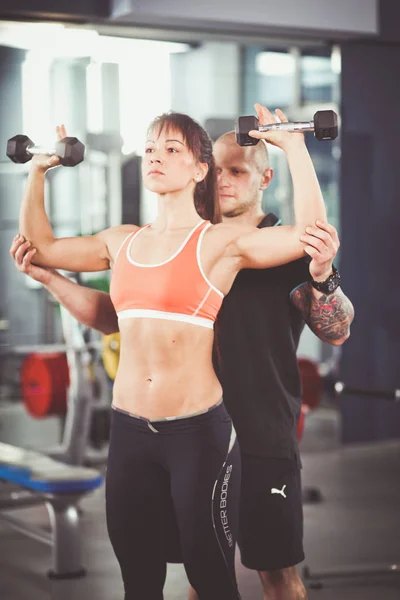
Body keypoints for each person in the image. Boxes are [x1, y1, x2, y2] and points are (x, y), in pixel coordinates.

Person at [15, 103, 330, 600]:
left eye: (171, 148)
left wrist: (294, 147)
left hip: (199, 433)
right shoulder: (123, 243)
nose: (154, 157)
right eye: (148, 149)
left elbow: (312, 237)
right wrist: (36, 174)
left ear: (197, 168)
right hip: (130, 433)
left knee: (210, 579)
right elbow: (41, 246)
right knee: (138, 580)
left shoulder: (221, 244)